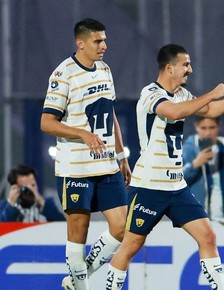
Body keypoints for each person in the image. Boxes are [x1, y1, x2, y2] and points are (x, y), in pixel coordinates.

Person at [105, 44, 224, 290]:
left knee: (207, 236)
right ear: (169, 67)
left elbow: (211, 110)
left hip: (177, 186)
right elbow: (173, 112)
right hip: (150, 185)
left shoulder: (183, 94)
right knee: (130, 245)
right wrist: (213, 92)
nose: (190, 70)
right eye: (185, 64)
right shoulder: (150, 93)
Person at [40, 18, 131, 290]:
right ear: (81, 43)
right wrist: (82, 133)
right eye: (98, 41)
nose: (104, 45)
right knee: (79, 233)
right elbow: (46, 122)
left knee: (121, 228)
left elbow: (110, 113)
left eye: (104, 39)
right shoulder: (63, 74)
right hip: (76, 168)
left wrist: (121, 155)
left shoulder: (105, 69)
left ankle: (78, 280)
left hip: (106, 166)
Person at [183, 116, 224, 222]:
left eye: (212, 127)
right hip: (196, 218)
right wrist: (194, 165)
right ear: (196, 127)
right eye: (203, 128)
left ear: (219, 126)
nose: (208, 133)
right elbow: (175, 182)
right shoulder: (189, 149)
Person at [0, 164, 65, 222]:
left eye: (32, 185)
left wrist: (40, 200)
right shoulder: (3, 206)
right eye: (24, 186)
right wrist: (11, 203)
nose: (30, 189)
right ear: (14, 188)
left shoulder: (47, 204)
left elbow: (62, 224)